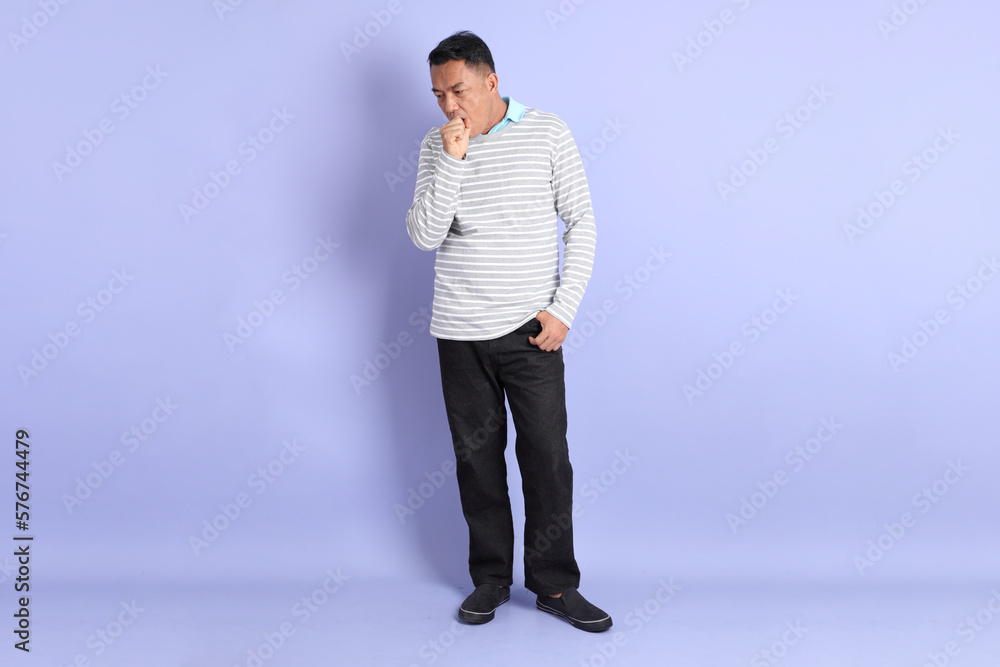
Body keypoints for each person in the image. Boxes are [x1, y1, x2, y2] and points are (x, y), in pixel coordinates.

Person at [405, 30, 611, 633]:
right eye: (438, 95)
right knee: (477, 462)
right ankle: (491, 579)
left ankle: (554, 585)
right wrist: (453, 160)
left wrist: (563, 309)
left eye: (458, 90)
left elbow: (582, 221)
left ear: (490, 81)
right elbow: (424, 235)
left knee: (547, 459)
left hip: (530, 331)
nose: (449, 106)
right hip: (458, 330)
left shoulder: (547, 132)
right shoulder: (436, 145)